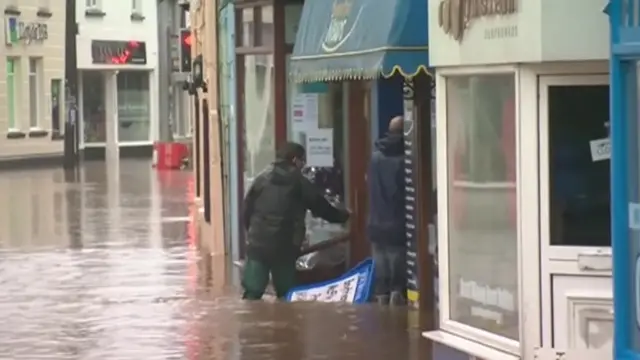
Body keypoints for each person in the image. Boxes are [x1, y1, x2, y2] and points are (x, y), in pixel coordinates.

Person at [242, 142, 350, 300]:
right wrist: (344, 217)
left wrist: (252, 234)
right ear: (294, 160)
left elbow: (246, 210)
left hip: (258, 245)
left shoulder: (261, 179)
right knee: (288, 296)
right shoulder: (300, 183)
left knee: (252, 294)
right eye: (302, 160)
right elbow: (321, 208)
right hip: (284, 247)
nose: (303, 164)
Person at [367, 116, 407, 305]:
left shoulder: (375, 157)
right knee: (397, 263)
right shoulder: (405, 159)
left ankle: (382, 300)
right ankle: (396, 299)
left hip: (376, 220)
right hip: (397, 221)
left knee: (381, 261)